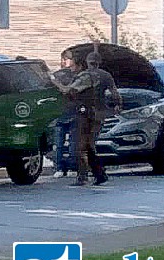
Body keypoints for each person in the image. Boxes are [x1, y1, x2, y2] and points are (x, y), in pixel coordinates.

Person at [51, 45, 121, 186]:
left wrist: (53, 81)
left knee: (81, 146)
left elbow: (68, 91)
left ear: (85, 63)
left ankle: (85, 176)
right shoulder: (105, 75)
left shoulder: (85, 76)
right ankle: (97, 174)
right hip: (98, 114)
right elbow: (115, 93)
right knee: (87, 146)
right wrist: (118, 105)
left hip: (86, 115)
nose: (71, 67)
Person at [52, 50, 77, 178]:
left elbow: (69, 90)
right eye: (66, 59)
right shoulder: (57, 75)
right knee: (59, 144)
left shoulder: (77, 75)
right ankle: (60, 167)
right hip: (60, 114)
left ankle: (72, 167)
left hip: (74, 113)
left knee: (73, 144)